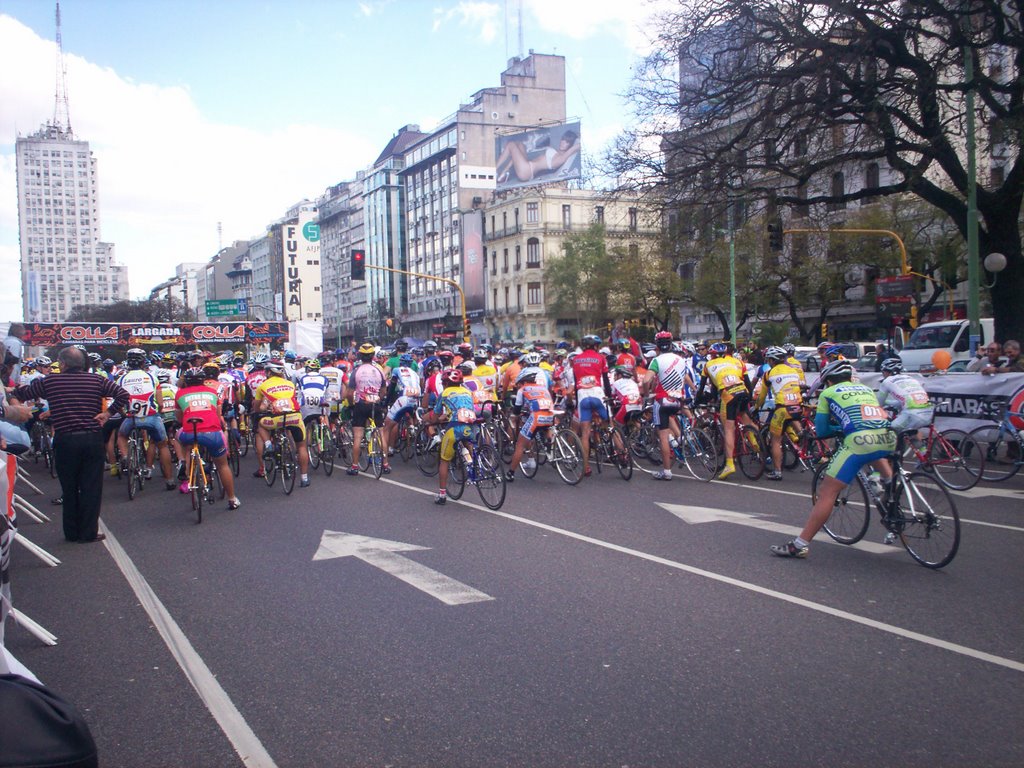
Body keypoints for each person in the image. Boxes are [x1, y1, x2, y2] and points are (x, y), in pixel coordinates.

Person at [771, 359, 894, 559]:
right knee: (876, 452)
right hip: (888, 436)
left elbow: (822, 430)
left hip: (859, 440)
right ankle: (891, 496)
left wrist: (838, 429)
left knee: (827, 491)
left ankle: (799, 545)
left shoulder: (828, 393)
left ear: (828, 381)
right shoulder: (865, 389)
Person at [10, 346, 129, 543]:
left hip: (65, 439)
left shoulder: (51, 382)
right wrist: (107, 414)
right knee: (91, 486)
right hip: (91, 438)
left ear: (62, 364)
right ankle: (88, 532)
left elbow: (23, 393)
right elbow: (122, 394)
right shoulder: (96, 380)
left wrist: (14, 394)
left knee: (69, 487)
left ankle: (71, 531)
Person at [174, 367, 241, 509]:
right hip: (212, 432)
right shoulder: (212, 392)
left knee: (180, 439)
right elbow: (217, 416)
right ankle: (232, 498)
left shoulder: (180, 394)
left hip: (190, 432)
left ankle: (185, 464)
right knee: (223, 465)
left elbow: (179, 418)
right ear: (203, 380)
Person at [115, 348, 175, 490]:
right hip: (151, 416)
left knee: (121, 436)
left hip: (132, 417)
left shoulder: (121, 379)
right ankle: (169, 480)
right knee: (162, 445)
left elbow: (117, 402)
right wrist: (158, 413)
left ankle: (125, 458)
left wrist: (123, 413)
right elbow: (160, 403)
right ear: (143, 361)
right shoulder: (152, 377)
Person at [642, 331, 694, 481]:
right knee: (674, 420)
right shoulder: (680, 359)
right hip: (678, 400)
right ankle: (679, 440)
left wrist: (647, 395)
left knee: (662, 435)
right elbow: (685, 377)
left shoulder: (656, 361)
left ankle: (666, 471)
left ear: (657, 345)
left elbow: (646, 381)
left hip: (662, 400)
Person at [425, 368, 477, 505]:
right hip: (470, 427)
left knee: (444, 461)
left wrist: (433, 422)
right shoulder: (467, 392)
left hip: (454, 428)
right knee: (468, 442)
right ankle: (472, 467)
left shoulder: (444, 393)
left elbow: (435, 415)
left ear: (445, 383)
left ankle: (442, 495)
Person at [254, 360, 311, 487]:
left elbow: (257, 408)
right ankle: (304, 477)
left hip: (276, 419)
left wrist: (262, 409)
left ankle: (268, 444)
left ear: (268, 372)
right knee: (302, 446)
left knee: (261, 424)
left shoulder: (263, 386)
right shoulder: (290, 383)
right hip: (295, 417)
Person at [755, 346, 805, 481]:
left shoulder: (769, 373)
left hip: (782, 407)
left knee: (775, 440)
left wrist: (755, 408)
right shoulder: (794, 370)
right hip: (798, 406)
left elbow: (762, 396)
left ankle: (777, 472)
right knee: (793, 418)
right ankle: (801, 435)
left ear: (772, 360)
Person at [344, 342, 388, 475]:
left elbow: (349, 393)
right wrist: (379, 398)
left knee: (358, 436)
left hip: (361, 404)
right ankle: (385, 465)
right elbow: (384, 390)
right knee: (381, 433)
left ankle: (355, 466)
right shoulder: (379, 370)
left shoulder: (356, 371)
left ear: (360, 355)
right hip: (375, 403)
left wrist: (352, 405)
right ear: (373, 355)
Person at [505, 367, 555, 481]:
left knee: (520, 445)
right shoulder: (544, 388)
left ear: (523, 382)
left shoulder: (522, 389)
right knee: (547, 427)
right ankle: (549, 445)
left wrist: (515, 414)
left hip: (536, 417)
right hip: (550, 415)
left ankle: (510, 473)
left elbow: (517, 410)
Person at [877, 358, 935, 440]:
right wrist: (887, 402)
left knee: (890, 431)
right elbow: (904, 401)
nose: (883, 374)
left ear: (886, 371)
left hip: (912, 415)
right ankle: (922, 450)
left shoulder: (886, 381)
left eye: (883, 372)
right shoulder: (911, 378)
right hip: (929, 413)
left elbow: (879, 404)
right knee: (913, 431)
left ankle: (896, 452)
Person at [495, 130, 581, 185]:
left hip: (527, 171)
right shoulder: (558, 152)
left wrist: (576, 142)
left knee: (511, 145)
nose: (563, 142)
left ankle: (493, 170)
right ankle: (504, 174)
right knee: (520, 144)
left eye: (567, 142)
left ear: (570, 145)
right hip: (528, 166)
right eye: (563, 139)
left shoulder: (561, 158)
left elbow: (576, 147)